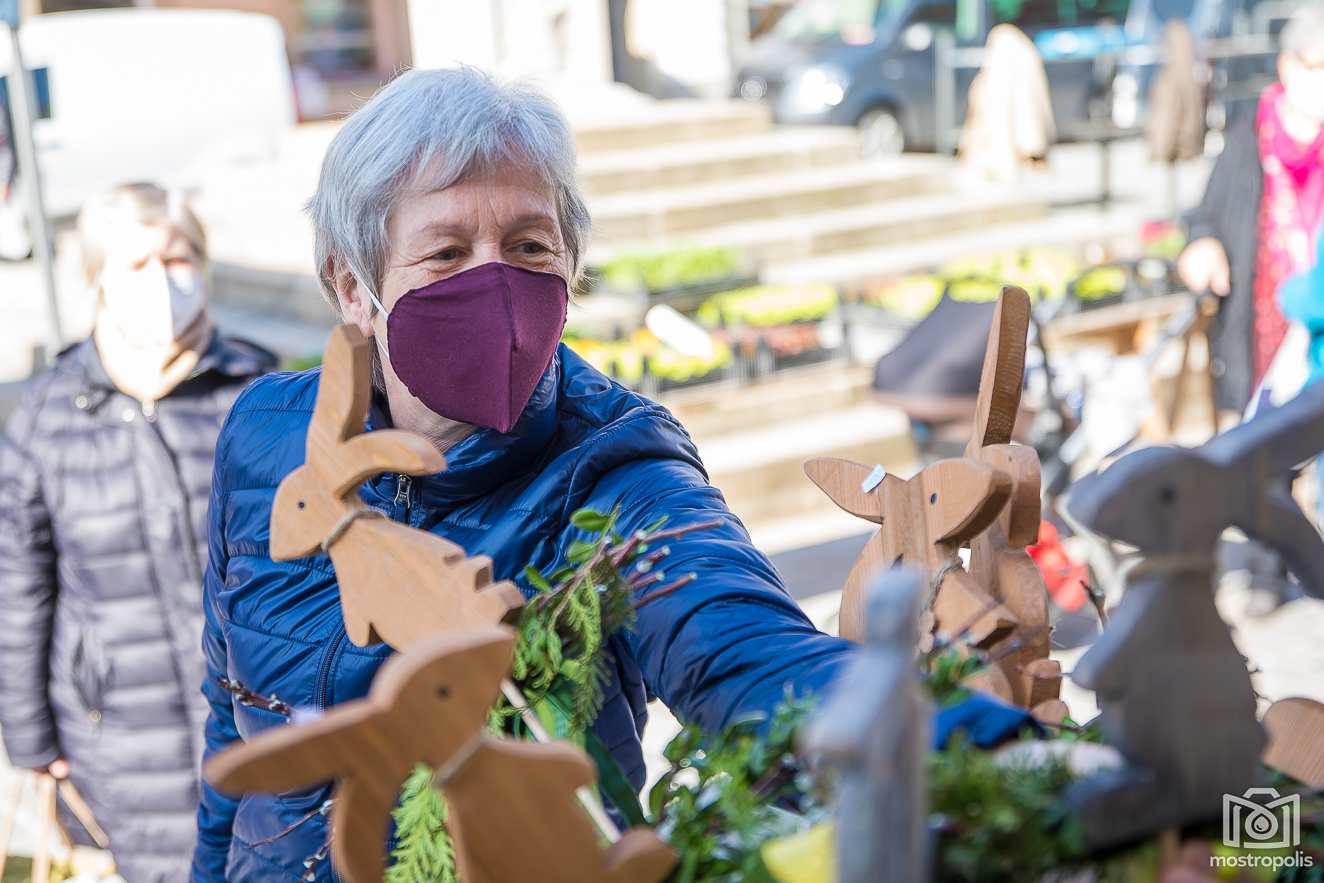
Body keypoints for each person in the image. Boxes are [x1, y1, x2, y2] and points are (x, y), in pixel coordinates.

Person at [191, 67, 1031, 882]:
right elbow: (234, 713)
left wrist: (1009, 757)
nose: (497, 285)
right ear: (352, 288)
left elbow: (744, 654)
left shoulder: (614, 468)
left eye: (528, 246)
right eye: (446, 252)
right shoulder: (268, 436)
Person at [0, 182, 276, 882]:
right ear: (97, 280)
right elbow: (19, 589)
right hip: (119, 737)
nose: (160, 280)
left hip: (261, 715)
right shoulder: (46, 417)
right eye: (135, 265)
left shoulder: (256, 390)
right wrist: (31, 740)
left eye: (176, 259)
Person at [1179, 2, 1324, 415]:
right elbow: (1203, 214)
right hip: (1260, 338)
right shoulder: (1249, 138)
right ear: (1288, 66)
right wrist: (1202, 244)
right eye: (1319, 65)